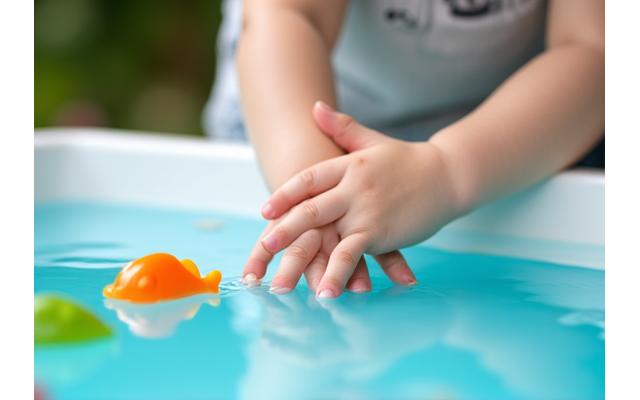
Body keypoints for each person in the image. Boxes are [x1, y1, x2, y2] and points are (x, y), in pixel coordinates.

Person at [203, 0, 604, 298]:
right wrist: (317, 192)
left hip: (515, 130)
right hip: (299, 126)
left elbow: (596, 49)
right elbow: (288, 16)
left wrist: (446, 172)